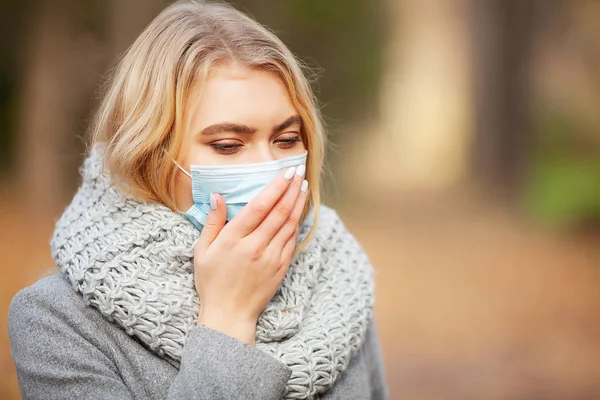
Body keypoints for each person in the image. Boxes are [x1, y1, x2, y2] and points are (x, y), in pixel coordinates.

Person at [8, 1, 388, 399]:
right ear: (149, 152)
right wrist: (228, 320)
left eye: (287, 140)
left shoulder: (335, 270)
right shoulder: (57, 320)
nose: (268, 167)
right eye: (228, 145)